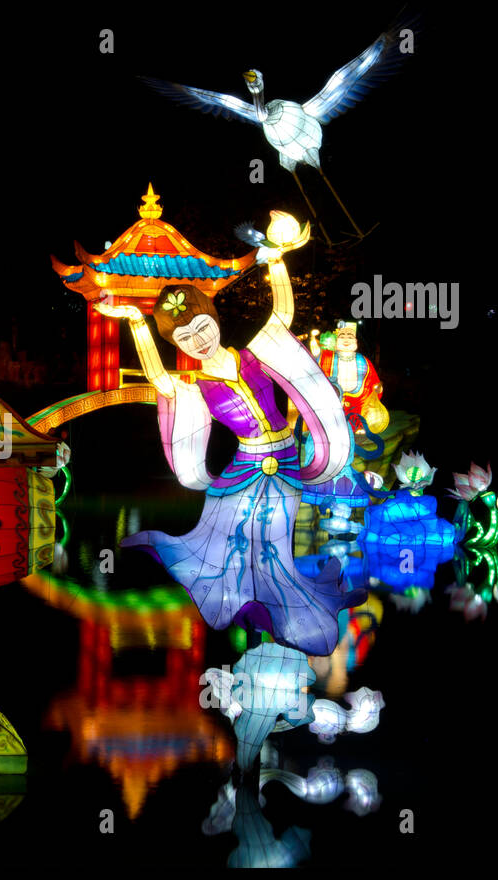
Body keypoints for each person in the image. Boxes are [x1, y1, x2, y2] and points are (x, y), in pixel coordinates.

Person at [98, 212, 361, 658]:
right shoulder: (195, 386)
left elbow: (283, 314)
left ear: (214, 321)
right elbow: (160, 380)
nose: (197, 340)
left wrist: (275, 262)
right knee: (236, 547)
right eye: (184, 338)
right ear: (178, 345)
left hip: (284, 464)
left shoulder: (255, 357)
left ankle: (281, 616)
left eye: (201, 328)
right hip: (242, 469)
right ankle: (252, 619)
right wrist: (135, 323)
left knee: (276, 544)